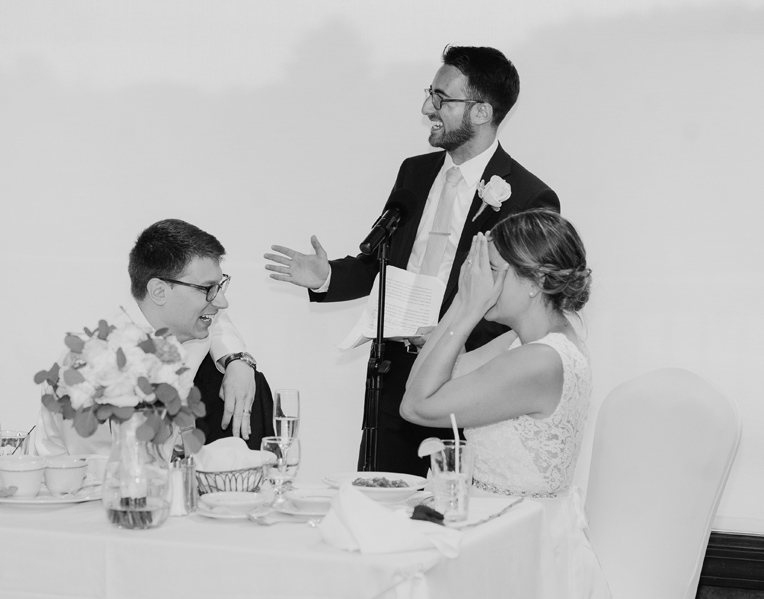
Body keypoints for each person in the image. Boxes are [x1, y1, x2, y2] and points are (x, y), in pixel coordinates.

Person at [264, 46, 559, 475]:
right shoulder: (414, 173)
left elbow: (530, 305)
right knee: (381, 503)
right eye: (430, 94)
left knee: (446, 515)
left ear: (481, 112)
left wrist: (449, 336)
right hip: (391, 371)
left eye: (442, 99)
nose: (427, 108)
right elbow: (382, 262)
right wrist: (327, 276)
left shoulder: (530, 197)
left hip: (466, 378)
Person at [401, 209, 611, 598]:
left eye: (494, 272)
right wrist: (462, 308)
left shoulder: (539, 361)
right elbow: (429, 381)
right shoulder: (531, 341)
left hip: (517, 547)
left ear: (535, 282)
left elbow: (416, 406)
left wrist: (467, 306)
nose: (484, 283)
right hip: (502, 531)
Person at [31, 219, 267, 457]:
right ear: (159, 291)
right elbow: (99, 470)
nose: (222, 301)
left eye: (220, 286)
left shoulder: (189, 324)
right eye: (208, 289)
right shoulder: (95, 363)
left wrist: (238, 360)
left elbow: (217, 322)